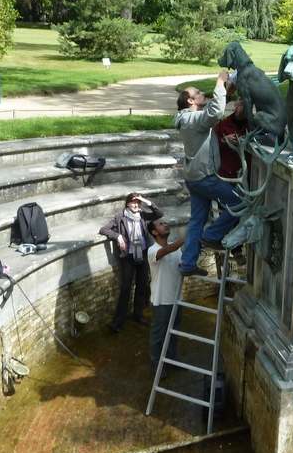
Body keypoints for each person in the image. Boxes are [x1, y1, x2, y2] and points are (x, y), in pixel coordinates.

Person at [174, 70, 240, 276]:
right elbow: (215, 113)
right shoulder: (193, 119)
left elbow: (213, 110)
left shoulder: (188, 118)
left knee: (196, 220)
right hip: (204, 177)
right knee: (240, 203)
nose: (204, 95)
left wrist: (227, 91)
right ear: (190, 100)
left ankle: (188, 263)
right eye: (200, 94)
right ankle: (212, 235)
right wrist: (219, 81)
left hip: (194, 179)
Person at [98, 193, 162, 332]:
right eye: (133, 202)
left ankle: (138, 315)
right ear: (127, 203)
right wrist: (118, 236)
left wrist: (145, 201)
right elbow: (103, 229)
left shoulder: (143, 215)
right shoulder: (120, 217)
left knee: (141, 286)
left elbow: (159, 213)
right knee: (126, 289)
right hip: (128, 257)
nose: (136, 205)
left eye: (138, 203)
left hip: (142, 255)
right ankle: (118, 322)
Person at [147, 219, 184, 374]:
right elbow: (167, 251)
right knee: (159, 335)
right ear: (154, 232)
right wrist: (190, 236)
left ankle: (172, 361)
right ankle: (157, 366)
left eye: (165, 222)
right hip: (161, 301)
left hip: (177, 298)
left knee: (174, 334)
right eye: (161, 224)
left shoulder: (176, 249)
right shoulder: (152, 250)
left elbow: (181, 267)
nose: (166, 224)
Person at [214, 98, 249, 179]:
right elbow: (212, 144)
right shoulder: (223, 124)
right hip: (228, 173)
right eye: (240, 104)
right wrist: (224, 140)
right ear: (235, 106)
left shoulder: (252, 125)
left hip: (247, 173)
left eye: (244, 105)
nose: (240, 108)